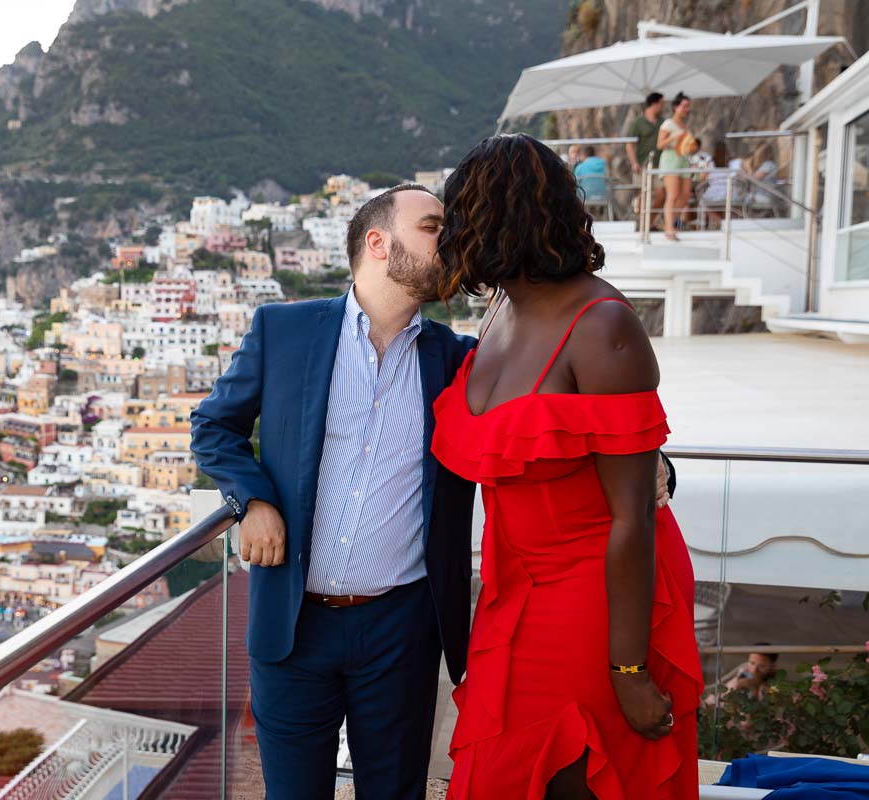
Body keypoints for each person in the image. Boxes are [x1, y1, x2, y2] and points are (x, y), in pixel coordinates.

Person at [191, 181, 674, 800]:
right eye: (432, 227)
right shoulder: (283, 331)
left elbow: (557, 416)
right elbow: (213, 426)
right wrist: (251, 501)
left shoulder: (460, 360)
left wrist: (654, 461)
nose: (451, 240)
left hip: (403, 628)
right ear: (378, 243)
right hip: (292, 625)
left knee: (396, 792)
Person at [433, 134, 702, 799]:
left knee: (573, 778)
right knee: (497, 775)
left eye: (461, 217)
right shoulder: (500, 309)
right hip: (509, 596)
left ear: (497, 219)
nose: (453, 236)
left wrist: (630, 668)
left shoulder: (602, 325)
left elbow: (634, 512)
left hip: (597, 599)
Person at [658, 92, 694, 240]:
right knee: (672, 195)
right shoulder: (668, 124)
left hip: (684, 161)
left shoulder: (684, 125)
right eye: (684, 106)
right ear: (676, 107)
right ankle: (669, 228)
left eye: (687, 106)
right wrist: (673, 137)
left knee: (685, 196)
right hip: (671, 160)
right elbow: (659, 144)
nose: (686, 109)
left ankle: (668, 223)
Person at [627, 92, 666, 222]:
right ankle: (642, 223)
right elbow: (630, 145)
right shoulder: (638, 122)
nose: (663, 106)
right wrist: (634, 163)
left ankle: (650, 221)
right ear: (654, 104)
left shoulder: (663, 122)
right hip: (642, 164)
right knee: (642, 194)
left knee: (661, 192)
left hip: (660, 165)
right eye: (661, 104)